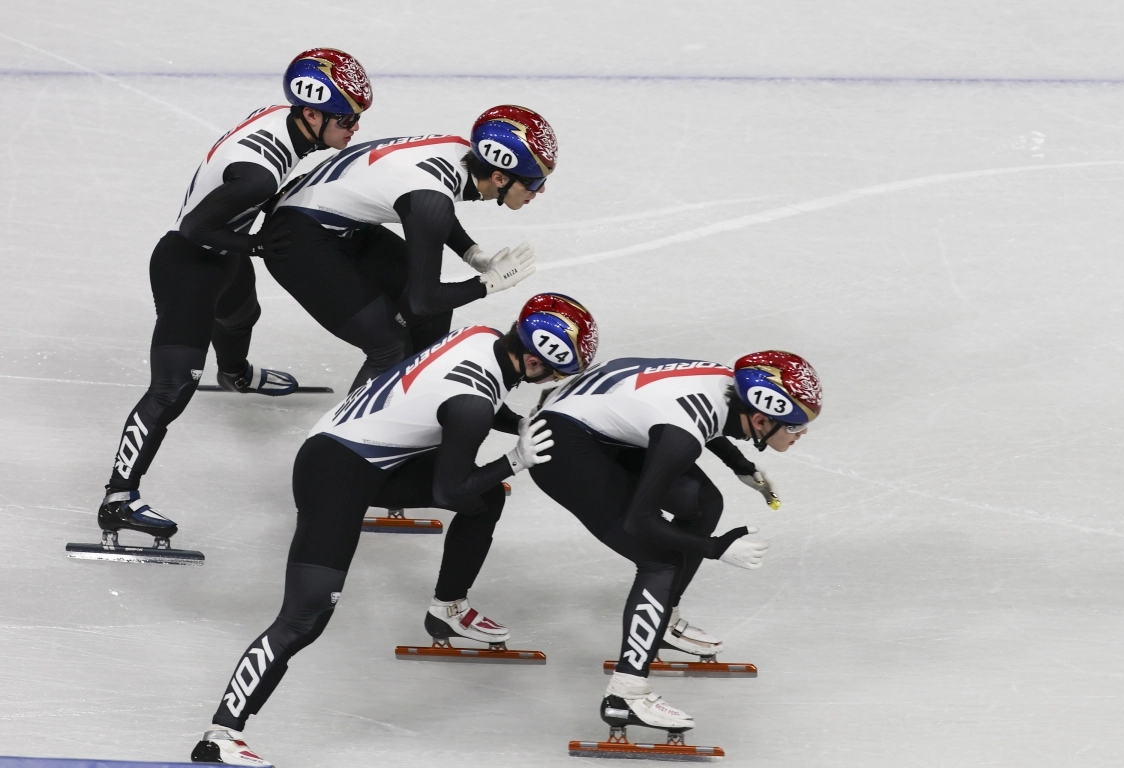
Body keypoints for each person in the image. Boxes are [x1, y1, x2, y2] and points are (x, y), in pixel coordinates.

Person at [191, 293, 598, 766]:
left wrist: (521, 423)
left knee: (485, 500)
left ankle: (447, 608)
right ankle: (219, 735)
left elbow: (467, 405)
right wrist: (515, 459)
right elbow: (451, 490)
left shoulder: (480, 337)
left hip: (355, 452)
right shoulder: (474, 405)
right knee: (305, 616)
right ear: (541, 366)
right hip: (337, 474)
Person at [88, 49, 373, 558]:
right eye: (347, 118)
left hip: (225, 254)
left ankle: (236, 373)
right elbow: (194, 227)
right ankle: (118, 498)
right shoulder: (261, 174)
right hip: (188, 264)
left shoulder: (284, 123)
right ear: (311, 114)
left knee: (243, 314)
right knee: (173, 387)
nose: (354, 127)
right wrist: (257, 245)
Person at [529, 350, 822, 738]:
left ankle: (660, 621)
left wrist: (742, 467)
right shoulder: (681, 434)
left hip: (594, 421)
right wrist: (718, 549)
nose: (800, 436)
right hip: (561, 447)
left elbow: (702, 421)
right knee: (660, 561)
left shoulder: (726, 386)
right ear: (761, 419)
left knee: (703, 503)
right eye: (796, 427)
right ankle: (626, 695)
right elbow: (641, 520)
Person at [261, 104, 558, 391]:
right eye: (534, 182)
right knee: (388, 345)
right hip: (294, 239)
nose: (540, 190)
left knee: (435, 316)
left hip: (336, 222)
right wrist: (488, 283)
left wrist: (472, 253)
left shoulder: (459, 154)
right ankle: (349, 431)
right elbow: (423, 298)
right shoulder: (430, 198)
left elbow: (428, 206)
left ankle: (411, 398)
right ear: (499, 177)